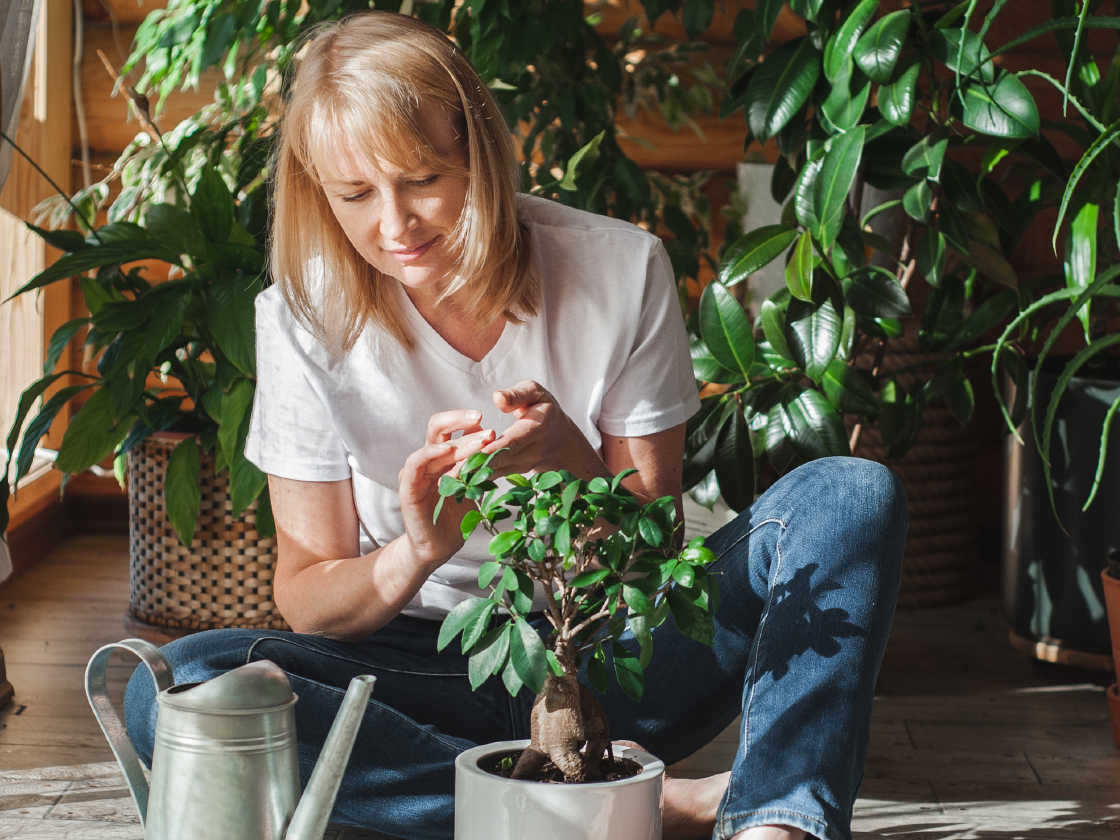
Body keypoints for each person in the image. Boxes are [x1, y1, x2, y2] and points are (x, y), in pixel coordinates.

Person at [123, 11, 906, 840]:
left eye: (422, 177)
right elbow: (308, 596)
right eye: (355, 194)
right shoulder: (300, 318)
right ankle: (634, 804)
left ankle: (772, 823)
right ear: (320, 192)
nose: (395, 225)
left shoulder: (618, 268)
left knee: (851, 492)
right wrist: (418, 548)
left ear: (479, 152)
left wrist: (572, 459)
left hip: (609, 660)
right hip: (417, 665)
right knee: (177, 682)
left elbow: (651, 559)